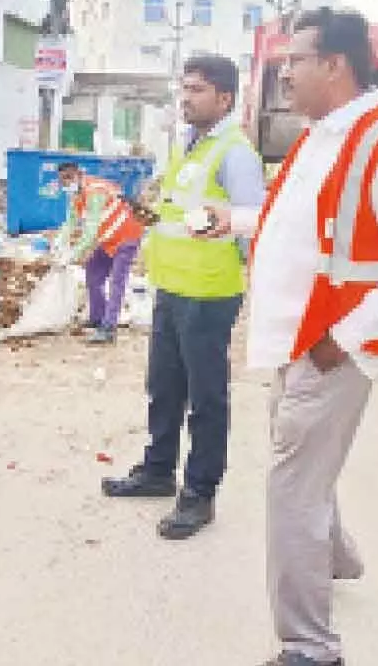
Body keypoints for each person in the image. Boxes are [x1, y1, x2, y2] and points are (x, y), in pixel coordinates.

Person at [241, 7, 378, 666]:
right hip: (292, 342)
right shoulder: (319, 138)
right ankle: (338, 558)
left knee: (292, 494)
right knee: (307, 476)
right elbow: (295, 225)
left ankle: (310, 647)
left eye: (294, 61)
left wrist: (345, 336)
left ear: (333, 65)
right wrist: (234, 219)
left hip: (328, 351)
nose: (284, 75)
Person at [100, 55, 266, 541]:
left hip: (209, 293)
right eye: (184, 88)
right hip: (172, 288)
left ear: (225, 98)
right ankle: (157, 470)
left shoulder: (235, 154)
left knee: (206, 399)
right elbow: (182, 216)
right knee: (164, 387)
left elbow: (251, 222)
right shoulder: (188, 146)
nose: (185, 98)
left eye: (197, 90)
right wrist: (149, 219)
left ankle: (199, 493)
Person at [54, 163, 145, 344]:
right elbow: (70, 222)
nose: (66, 183)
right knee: (93, 274)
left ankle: (109, 328)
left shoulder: (95, 191)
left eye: (69, 177)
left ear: (79, 174)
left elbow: (90, 231)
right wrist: (59, 241)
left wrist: (72, 255)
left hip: (127, 235)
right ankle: (97, 317)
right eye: (63, 180)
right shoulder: (76, 195)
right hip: (108, 239)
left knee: (117, 282)